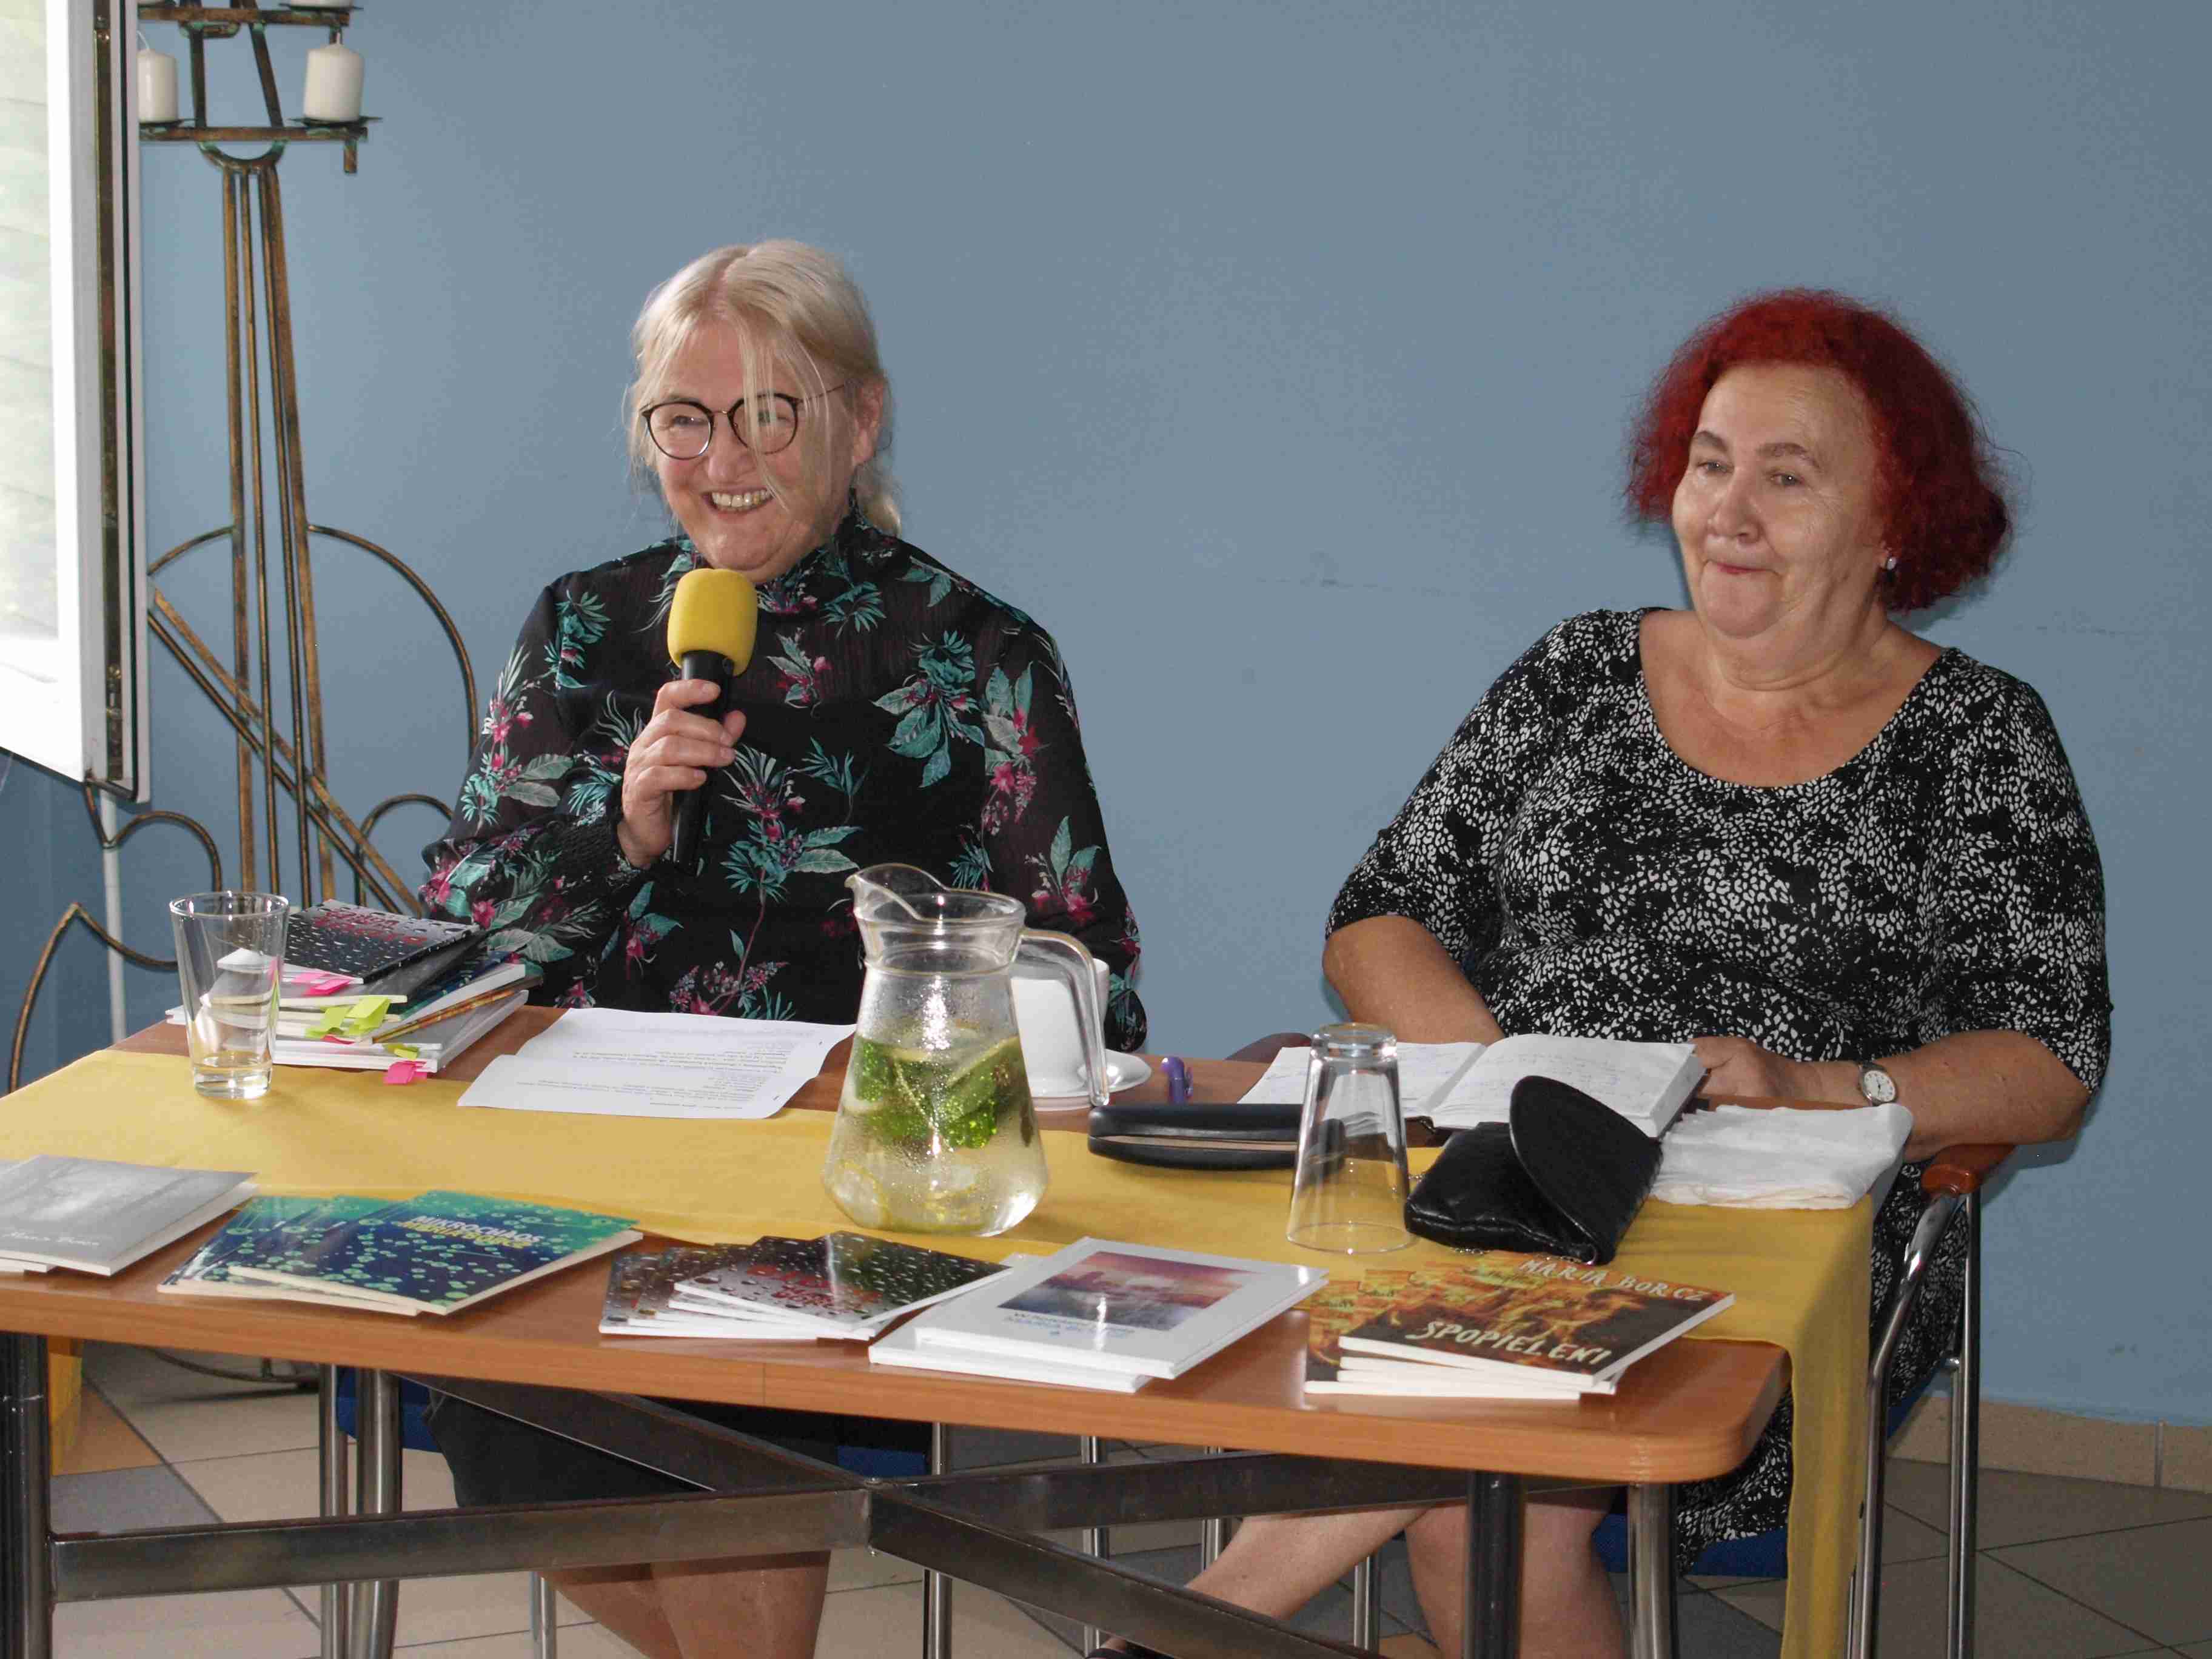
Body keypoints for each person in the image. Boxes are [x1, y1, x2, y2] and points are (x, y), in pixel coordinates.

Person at [1091, 289, 2110, 1659]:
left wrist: (1818, 1087)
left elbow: (2050, 1061)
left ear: (1893, 520)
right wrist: (1507, 1076)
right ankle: (1179, 1635)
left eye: (1787, 478)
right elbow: (1380, 917)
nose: (1728, 512)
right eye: (1710, 463)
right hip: (1504, 1174)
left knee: (1485, 1500)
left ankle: (1174, 1634)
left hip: (1780, 1224)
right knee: (1474, 1442)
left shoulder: (1979, 739)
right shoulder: (1578, 674)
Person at [418, 240, 1147, 1659]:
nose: (724, 459)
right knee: (506, 1427)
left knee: (719, 1413)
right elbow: (467, 934)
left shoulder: (976, 651)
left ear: (859, 423)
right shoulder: (586, 628)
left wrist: (932, 1036)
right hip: (592, 1147)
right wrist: (625, 830)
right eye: (685, 419)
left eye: (770, 413)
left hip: (853, 1169)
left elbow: (1085, 974)